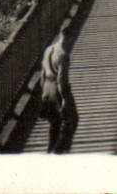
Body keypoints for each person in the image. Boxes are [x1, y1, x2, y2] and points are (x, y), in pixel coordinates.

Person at [39, 25, 79, 154]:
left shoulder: (48, 49)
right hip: (57, 89)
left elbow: (42, 73)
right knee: (72, 119)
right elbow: (62, 80)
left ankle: (51, 149)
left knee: (55, 121)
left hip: (46, 87)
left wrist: (43, 92)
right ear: (68, 37)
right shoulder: (63, 54)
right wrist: (65, 99)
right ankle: (61, 150)